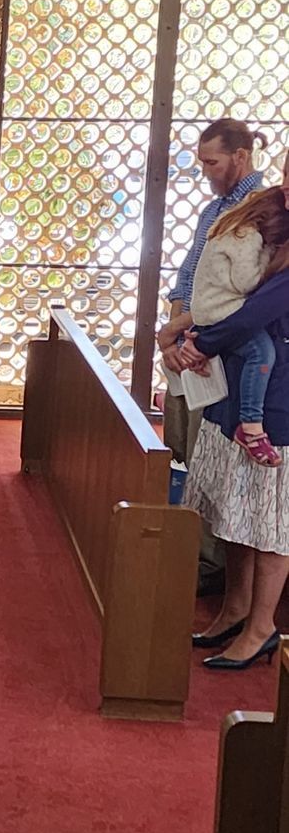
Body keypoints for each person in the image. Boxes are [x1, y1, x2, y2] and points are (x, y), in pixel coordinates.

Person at [172, 191, 289, 672]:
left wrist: (198, 342)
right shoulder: (272, 215)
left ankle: (262, 628)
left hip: (278, 401)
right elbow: (220, 290)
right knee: (237, 512)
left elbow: (255, 312)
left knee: (269, 524)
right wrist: (190, 336)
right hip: (239, 387)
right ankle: (235, 609)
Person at [156, 119, 266, 586]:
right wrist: (176, 332)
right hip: (191, 339)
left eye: (212, 163)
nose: (205, 171)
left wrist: (189, 332)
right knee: (181, 447)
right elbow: (193, 272)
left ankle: (210, 562)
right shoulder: (216, 207)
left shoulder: (258, 210)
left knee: (208, 452)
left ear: (240, 158)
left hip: (220, 345)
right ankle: (189, 546)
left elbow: (244, 289)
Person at [163, 186, 289, 466]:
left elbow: (258, 308)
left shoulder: (234, 227)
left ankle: (248, 425)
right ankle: (251, 426)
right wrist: (202, 343)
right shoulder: (248, 237)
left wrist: (202, 344)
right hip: (223, 318)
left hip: (214, 319)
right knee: (261, 354)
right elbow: (250, 293)